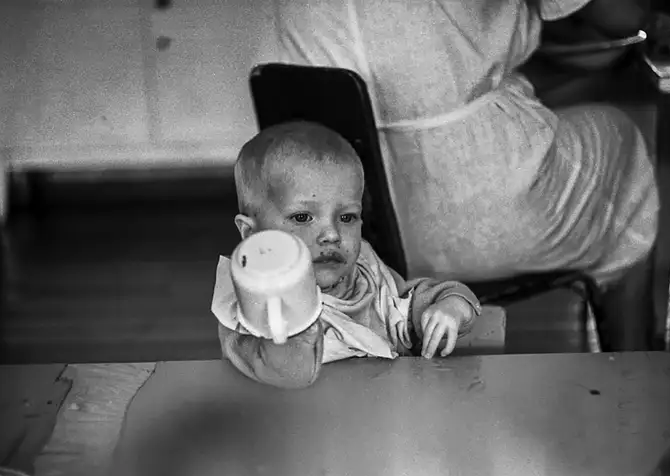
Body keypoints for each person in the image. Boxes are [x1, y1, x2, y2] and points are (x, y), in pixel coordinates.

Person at [252, 0, 670, 351]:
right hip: (476, 204)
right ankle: (635, 365)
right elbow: (613, 14)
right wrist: (654, 18)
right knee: (620, 140)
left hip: (337, 214)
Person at [211, 121, 506, 389]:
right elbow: (286, 374)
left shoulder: (365, 278)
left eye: (347, 217)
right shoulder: (248, 317)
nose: (332, 234)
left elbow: (416, 303)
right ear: (252, 234)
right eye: (302, 217)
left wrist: (451, 308)